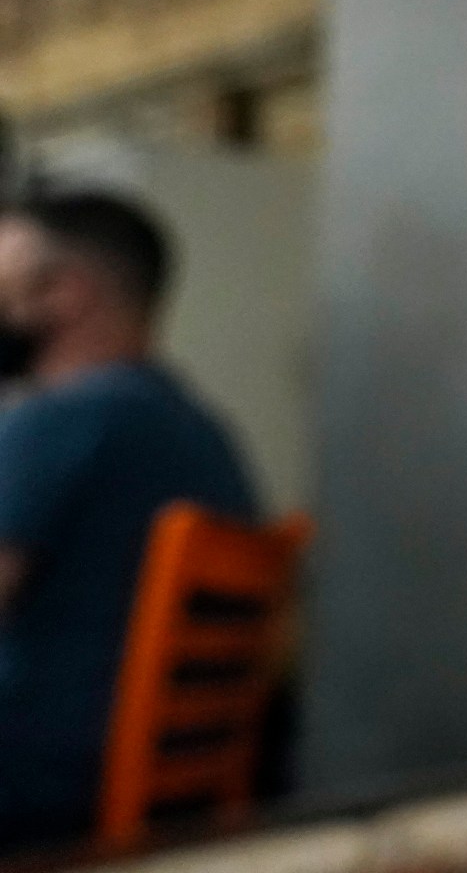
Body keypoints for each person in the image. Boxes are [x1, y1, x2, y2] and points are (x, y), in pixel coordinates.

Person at [0, 191, 257, 849]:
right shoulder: (203, 431)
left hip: (38, 792)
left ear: (64, 292)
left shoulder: (59, 419)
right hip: (167, 796)